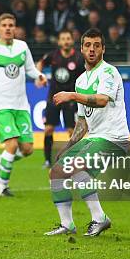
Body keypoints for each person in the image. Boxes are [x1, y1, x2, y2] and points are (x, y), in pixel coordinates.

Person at [44, 28, 129, 237]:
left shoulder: (109, 72)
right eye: (88, 45)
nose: (92, 49)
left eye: (96, 45)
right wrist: (67, 146)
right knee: (56, 171)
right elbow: (82, 122)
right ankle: (67, 224)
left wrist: (72, 96)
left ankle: (100, 219)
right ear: (81, 49)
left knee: (78, 169)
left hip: (114, 138)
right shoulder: (81, 80)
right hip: (95, 137)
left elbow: (101, 100)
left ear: (103, 49)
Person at [0, 13, 47, 197]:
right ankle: (3, 187)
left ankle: (1, 160)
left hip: (21, 105)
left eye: (11, 25)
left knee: (27, 149)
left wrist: (39, 76)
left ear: (15, 28)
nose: (7, 28)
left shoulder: (22, 46)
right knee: (11, 144)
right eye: (4, 25)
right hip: (0, 104)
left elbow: (29, 68)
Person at [36, 29, 85, 168]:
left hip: (70, 99)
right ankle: (47, 160)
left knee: (72, 131)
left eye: (68, 38)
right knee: (48, 129)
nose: (65, 41)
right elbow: (40, 63)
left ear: (72, 40)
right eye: (63, 39)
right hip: (54, 98)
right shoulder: (53, 55)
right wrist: (39, 76)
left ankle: (74, 160)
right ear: (59, 41)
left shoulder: (78, 58)